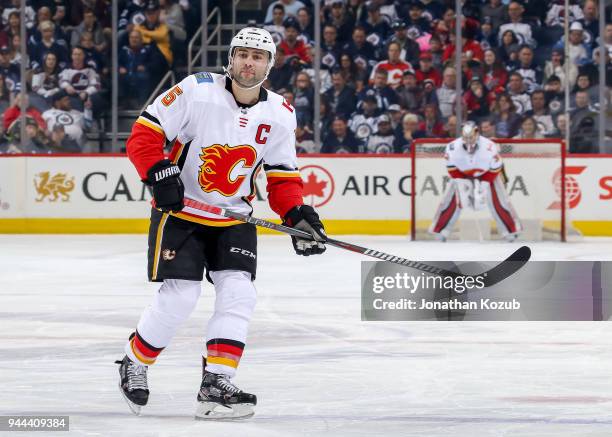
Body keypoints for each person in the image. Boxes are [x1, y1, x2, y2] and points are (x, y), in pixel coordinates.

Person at [117, 27, 327, 420]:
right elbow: (143, 136)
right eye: (243, 54)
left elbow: (281, 177)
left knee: (239, 292)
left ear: (270, 64)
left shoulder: (280, 113)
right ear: (230, 58)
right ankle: (135, 360)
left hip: (234, 217)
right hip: (181, 213)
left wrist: (297, 215)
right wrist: (160, 173)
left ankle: (217, 380)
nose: (249, 62)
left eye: (258, 56)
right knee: (181, 295)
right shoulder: (196, 89)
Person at [429, 122, 521, 242]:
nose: (468, 141)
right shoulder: (452, 147)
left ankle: (510, 230)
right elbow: (451, 167)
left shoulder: (489, 146)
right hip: (462, 174)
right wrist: (460, 182)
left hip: (487, 173)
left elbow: (496, 167)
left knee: (499, 200)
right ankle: (440, 230)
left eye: (470, 137)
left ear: (477, 134)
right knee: (451, 199)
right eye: (465, 137)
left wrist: (485, 182)